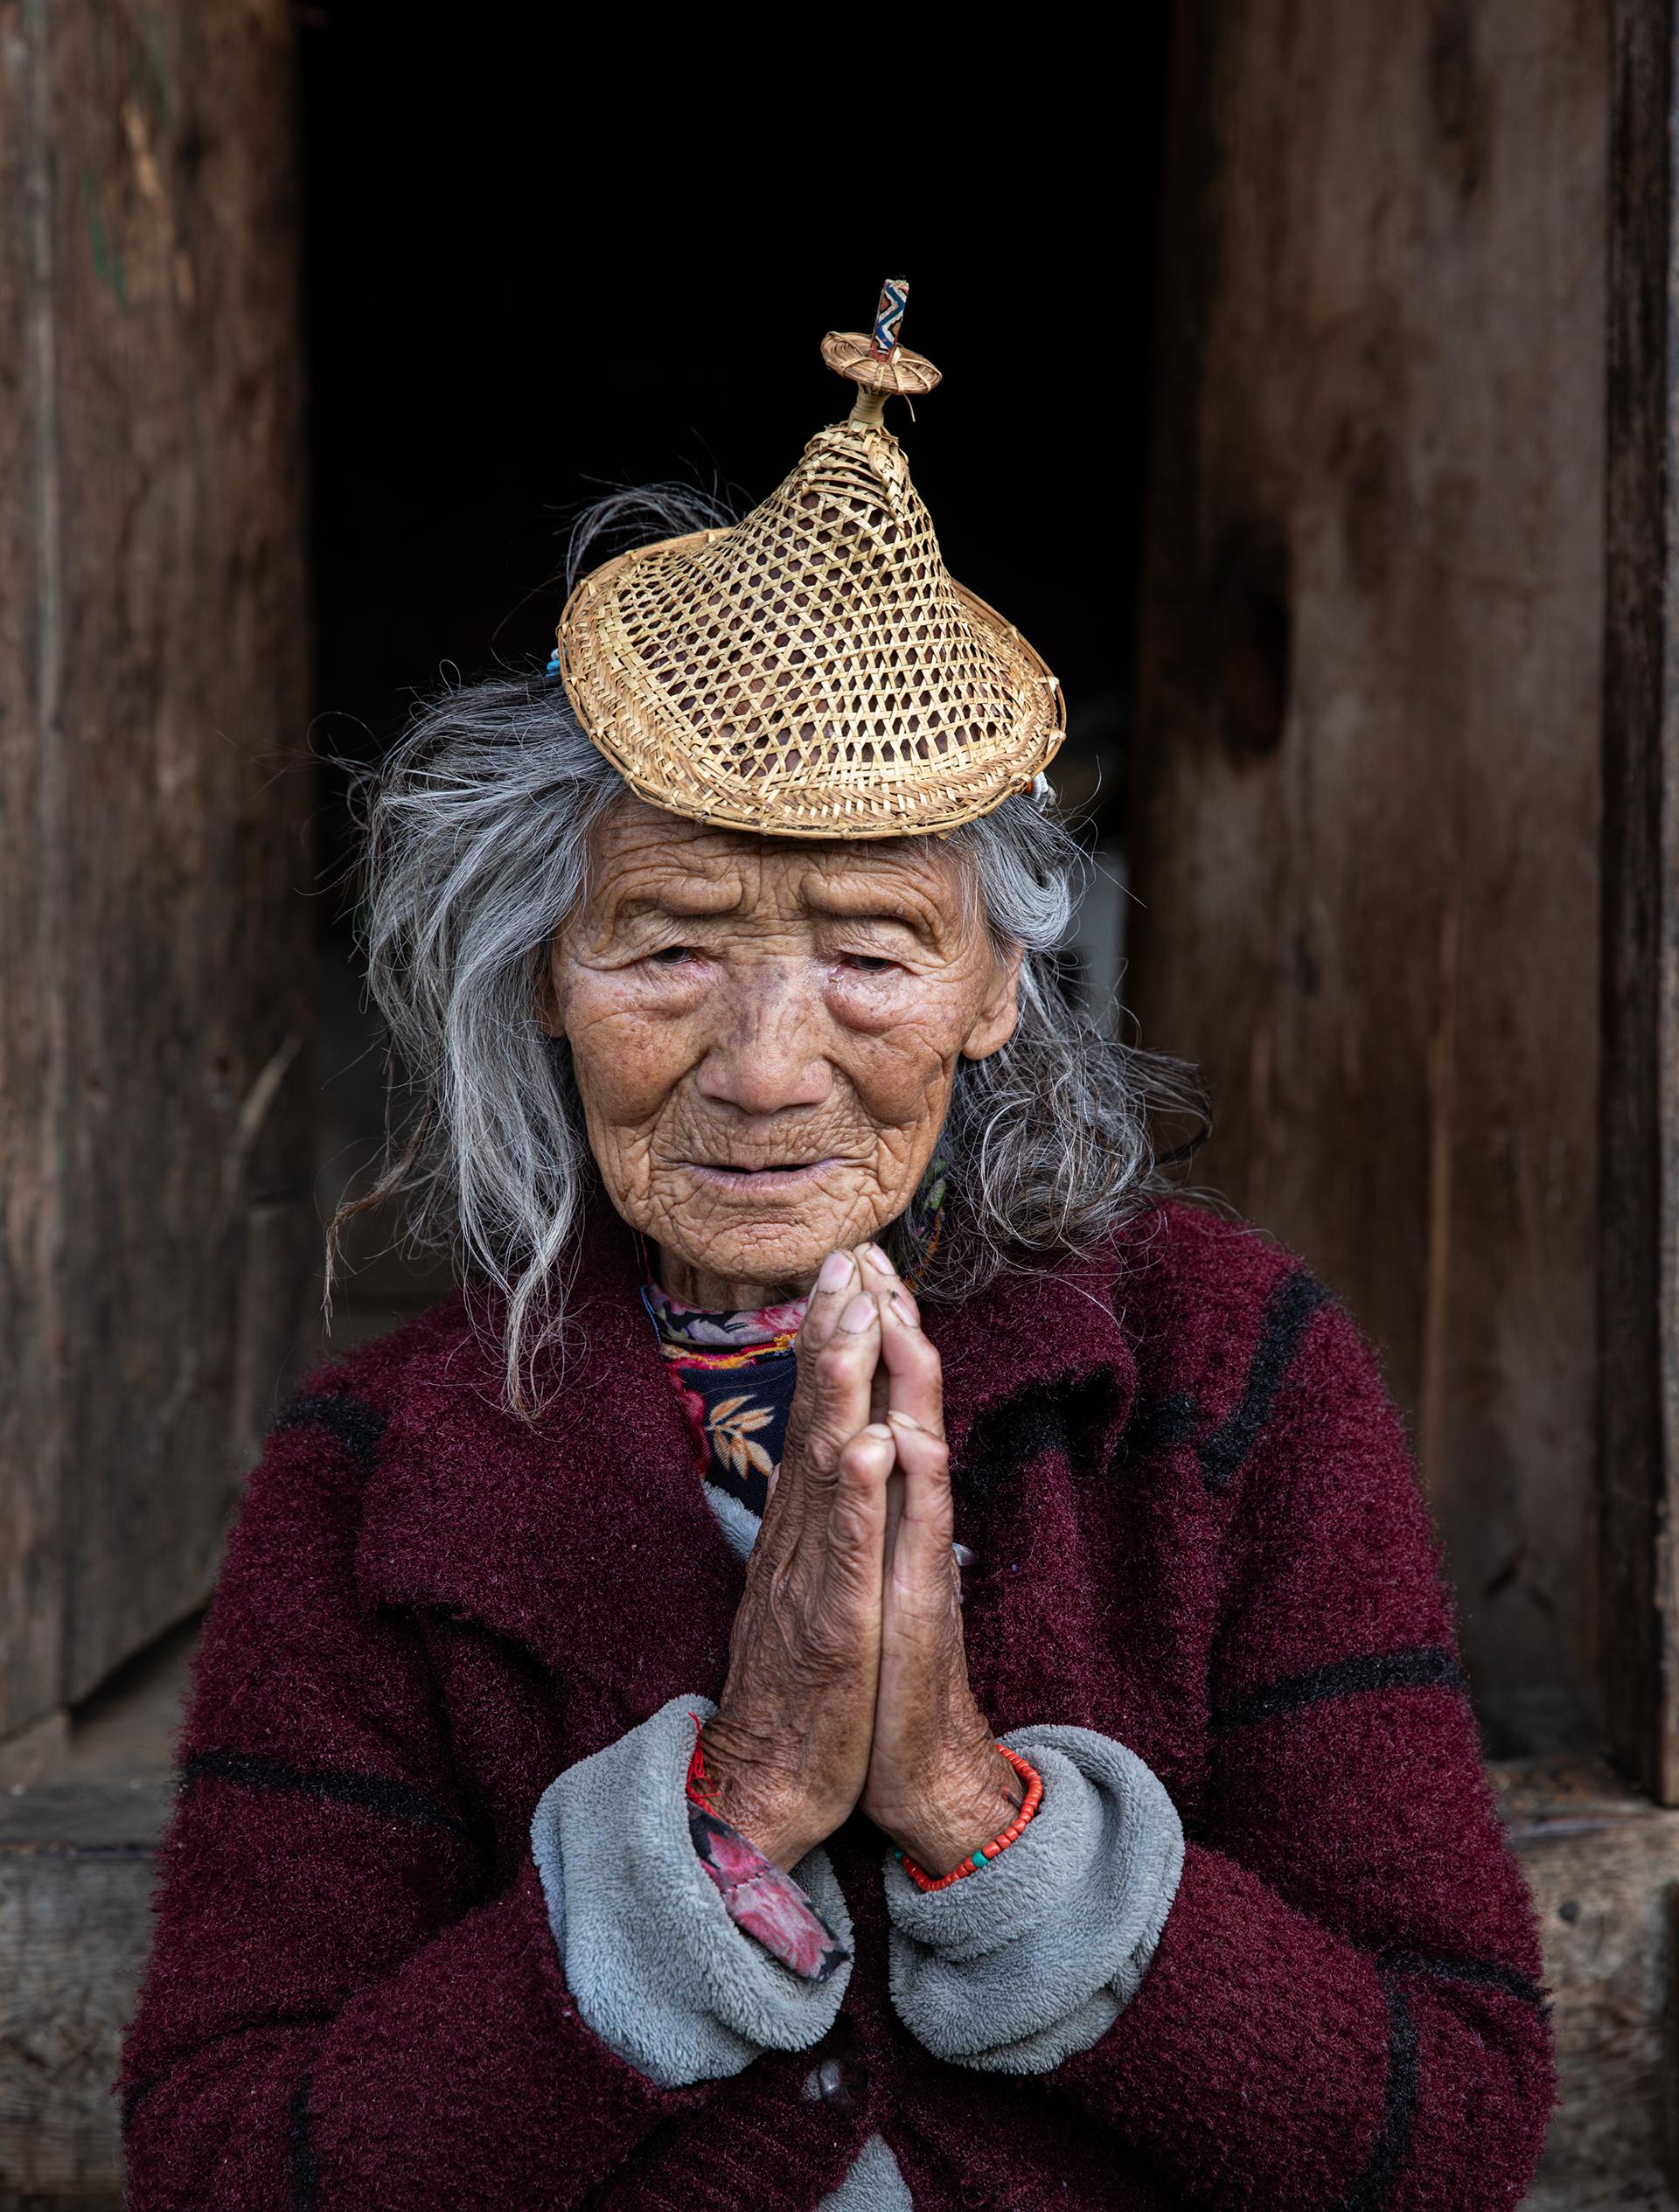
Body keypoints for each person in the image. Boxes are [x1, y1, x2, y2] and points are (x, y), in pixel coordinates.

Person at [120, 295, 1553, 2209]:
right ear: (547, 973)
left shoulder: (1230, 1376)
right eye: (669, 942)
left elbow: (1448, 2122)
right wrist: (725, 1818)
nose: (765, 1066)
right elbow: (229, 2167)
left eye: (872, 950)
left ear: (996, 991)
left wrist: (973, 1805)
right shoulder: (383, 1473)